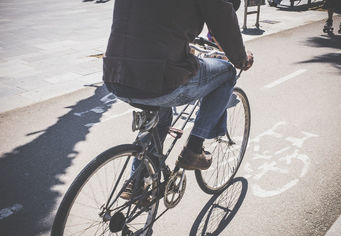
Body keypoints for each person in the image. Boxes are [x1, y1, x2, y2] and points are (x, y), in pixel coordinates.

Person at [103, 0, 253, 173]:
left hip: (114, 74)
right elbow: (222, 19)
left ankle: (138, 182)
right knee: (226, 72)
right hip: (159, 77)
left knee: (161, 118)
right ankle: (194, 150)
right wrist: (242, 59)